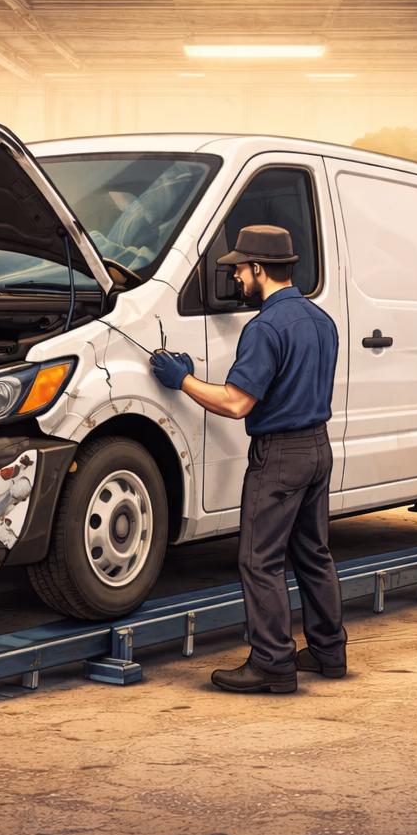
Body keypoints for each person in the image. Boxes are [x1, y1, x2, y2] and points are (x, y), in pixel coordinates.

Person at [150, 225, 347, 694]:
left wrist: (182, 380)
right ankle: (328, 652)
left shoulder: (266, 327)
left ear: (259, 269)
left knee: (260, 561)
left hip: (280, 456)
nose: (236, 277)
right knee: (314, 553)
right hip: (319, 448)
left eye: (239, 269)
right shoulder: (322, 320)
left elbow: (237, 403)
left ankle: (273, 664)